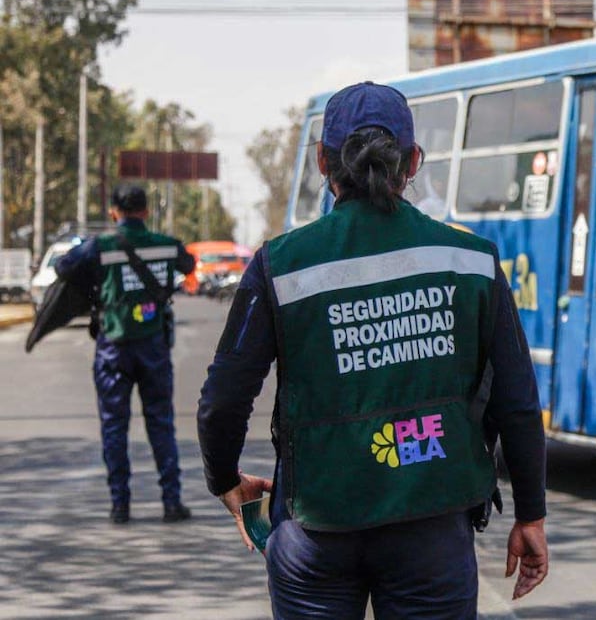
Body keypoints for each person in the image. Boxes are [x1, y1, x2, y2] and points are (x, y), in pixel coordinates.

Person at [197, 81, 549, 619]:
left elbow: (224, 397)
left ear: (321, 161)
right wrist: (531, 515)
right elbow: (518, 400)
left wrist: (224, 478)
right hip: (432, 527)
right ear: (413, 162)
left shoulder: (279, 264)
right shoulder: (473, 261)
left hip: (315, 532)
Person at [56, 184, 196, 524]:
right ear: (146, 212)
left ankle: (120, 505)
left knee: (114, 426)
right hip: (154, 347)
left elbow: (63, 266)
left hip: (113, 350)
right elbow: (188, 263)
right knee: (161, 423)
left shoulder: (99, 247)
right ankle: (171, 503)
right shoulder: (165, 245)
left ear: (113, 212)